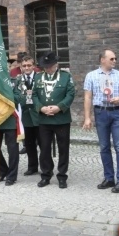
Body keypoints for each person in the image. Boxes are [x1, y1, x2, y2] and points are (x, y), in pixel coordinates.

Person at [83, 49, 119, 193]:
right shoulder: (91, 76)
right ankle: (109, 178)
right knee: (104, 147)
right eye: (111, 59)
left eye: (115, 58)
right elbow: (87, 97)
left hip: (117, 112)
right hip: (101, 112)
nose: (114, 61)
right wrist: (87, 117)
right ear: (102, 60)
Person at [32, 51, 76, 188]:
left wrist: (59, 107)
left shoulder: (65, 76)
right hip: (44, 119)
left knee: (63, 148)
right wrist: (40, 108)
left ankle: (62, 175)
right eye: (46, 66)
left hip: (61, 119)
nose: (48, 69)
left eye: (50, 66)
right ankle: (46, 174)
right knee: (44, 148)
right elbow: (33, 95)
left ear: (56, 64)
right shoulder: (38, 78)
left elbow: (70, 94)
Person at [14, 55, 39, 176]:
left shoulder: (40, 78)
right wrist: (26, 98)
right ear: (21, 67)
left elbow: (41, 95)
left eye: (29, 65)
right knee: (29, 144)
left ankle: (46, 167)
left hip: (39, 115)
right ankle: (32, 166)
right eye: (24, 66)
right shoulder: (18, 79)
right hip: (25, 115)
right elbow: (16, 95)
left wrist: (30, 97)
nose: (27, 68)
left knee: (44, 144)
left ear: (33, 66)